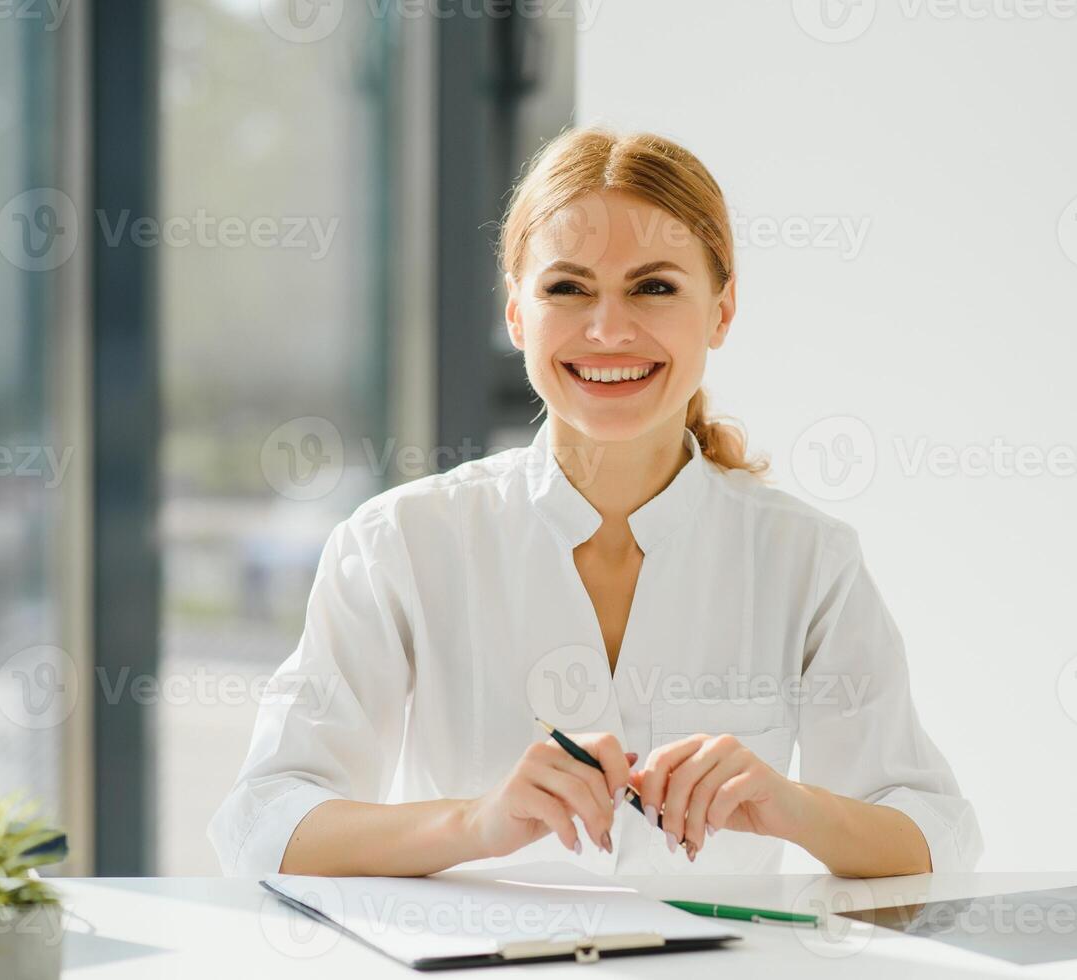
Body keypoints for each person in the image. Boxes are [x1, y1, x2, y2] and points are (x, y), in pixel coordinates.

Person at [209, 127, 982, 878]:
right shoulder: (400, 543)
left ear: (721, 309)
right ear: (516, 313)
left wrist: (788, 805)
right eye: (568, 288)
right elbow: (265, 821)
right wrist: (476, 822)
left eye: (654, 287)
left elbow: (937, 835)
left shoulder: (808, 560)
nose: (609, 328)